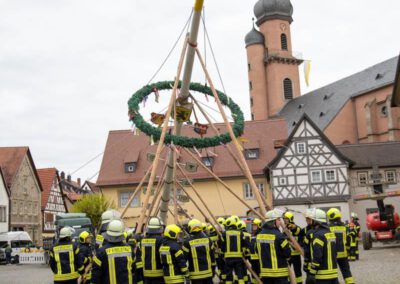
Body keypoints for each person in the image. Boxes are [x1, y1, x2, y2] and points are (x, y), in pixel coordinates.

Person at [91, 220, 136, 284]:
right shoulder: (130, 250)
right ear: (122, 234)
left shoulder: (101, 252)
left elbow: (95, 276)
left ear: (108, 234)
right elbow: (133, 269)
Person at [255, 208, 291, 284]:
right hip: (280, 274)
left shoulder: (259, 235)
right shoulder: (279, 236)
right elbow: (287, 253)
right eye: (278, 220)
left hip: (265, 273)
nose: (280, 222)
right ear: (273, 221)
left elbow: (256, 250)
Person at [308, 209, 338, 284]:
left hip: (322, 275)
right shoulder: (330, 233)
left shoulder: (317, 235)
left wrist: (312, 272)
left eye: (312, 219)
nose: (310, 221)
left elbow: (317, 256)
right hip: (333, 273)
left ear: (316, 221)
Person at [182, 219, 216, 283]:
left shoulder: (187, 242)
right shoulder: (208, 240)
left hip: (195, 275)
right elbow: (212, 257)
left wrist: (186, 274)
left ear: (190, 228)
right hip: (208, 273)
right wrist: (213, 270)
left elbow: (183, 259)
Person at [327, 208, 354, 284]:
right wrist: (348, 250)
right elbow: (348, 239)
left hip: (332, 254)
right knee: (346, 272)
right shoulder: (345, 227)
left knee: (333, 272)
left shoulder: (328, 227)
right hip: (343, 254)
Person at [220, 216, 249, 284]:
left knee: (229, 275)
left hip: (228, 258)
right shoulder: (240, 233)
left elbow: (222, 246)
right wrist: (244, 253)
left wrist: (223, 255)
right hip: (238, 258)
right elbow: (244, 244)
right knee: (240, 275)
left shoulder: (224, 233)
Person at [140, 217, 165, 284]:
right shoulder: (161, 240)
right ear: (159, 228)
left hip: (146, 274)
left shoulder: (142, 240)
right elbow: (164, 257)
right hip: (159, 274)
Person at [283, 211, 303, 284]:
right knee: (287, 272)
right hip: (288, 255)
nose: (285, 220)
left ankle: (299, 283)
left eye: (286, 219)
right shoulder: (284, 228)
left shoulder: (294, 227)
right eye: (284, 219)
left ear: (290, 219)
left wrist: (293, 227)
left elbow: (298, 231)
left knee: (297, 272)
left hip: (295, 254)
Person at [302, 208, 315, 284]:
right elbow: (299, 233)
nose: (307, 220)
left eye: (308, 219)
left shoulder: (318, 230)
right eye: (306, 219)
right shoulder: (306, 230)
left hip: (316, 260)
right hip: (310, 259)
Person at [249, 219, 262, 284]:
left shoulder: (260, 234)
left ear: (259, 226)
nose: (253, 227)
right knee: (254, 275)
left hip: (259, 259)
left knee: (260, 274)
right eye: (253, 225)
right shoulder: (252, 234)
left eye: (255, 225)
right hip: (253, 258)